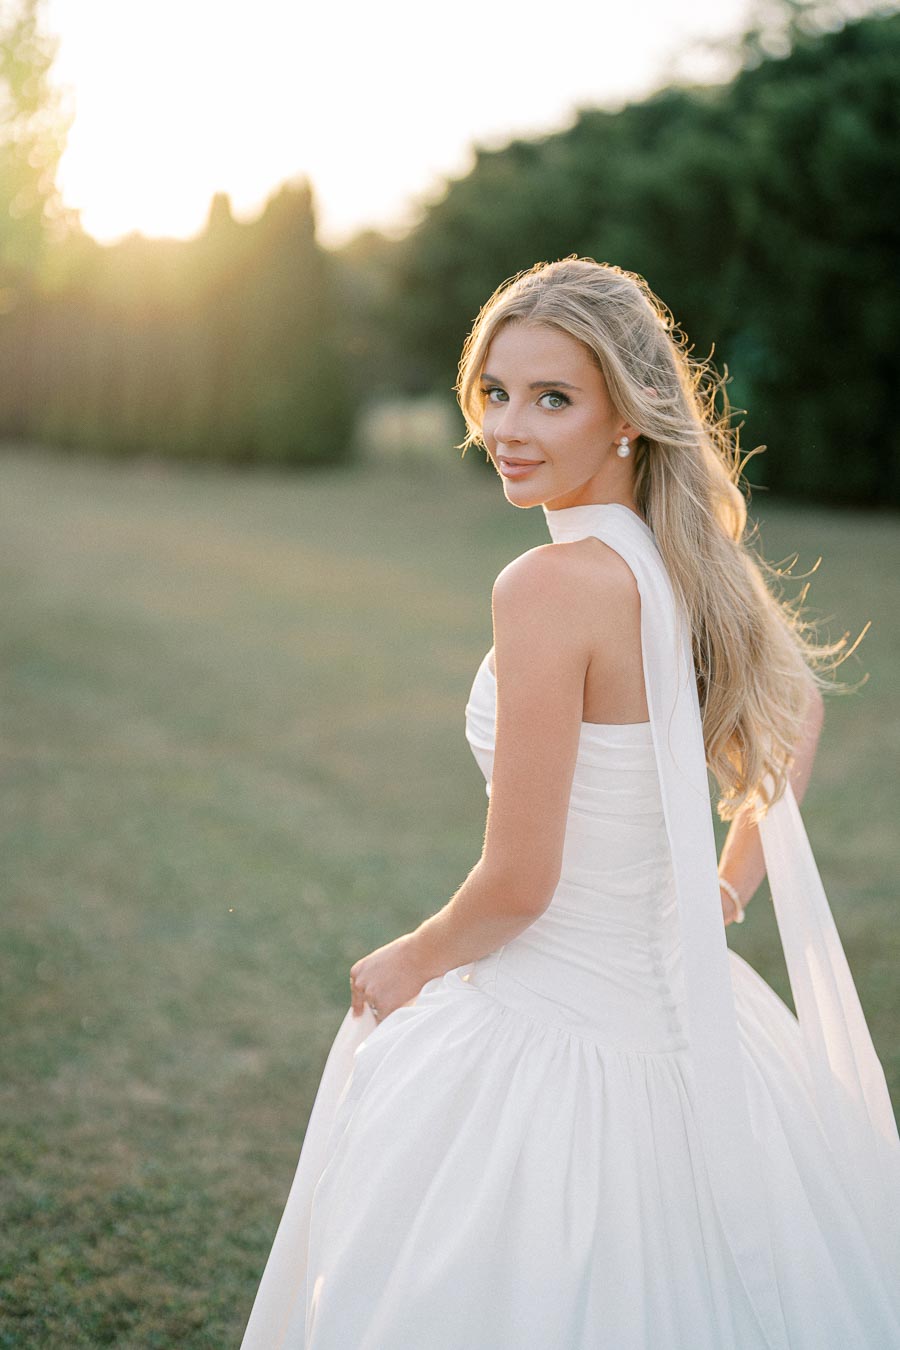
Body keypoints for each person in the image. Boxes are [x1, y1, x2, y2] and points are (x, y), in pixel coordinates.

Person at [240, 257, 900, 1349]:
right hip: (706, 1028)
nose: (510, 426)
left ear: (628, 416)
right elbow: (800, 718)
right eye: (496, 391)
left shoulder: (546, 587)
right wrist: (724, 889)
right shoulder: (690, 567)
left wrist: (408, 959)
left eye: (554, 398)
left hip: (557, 1027)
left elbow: (517, 886)